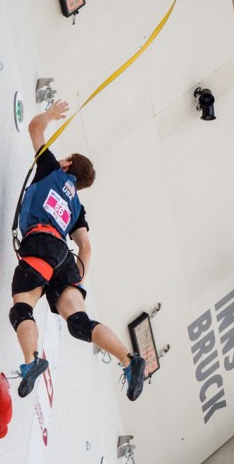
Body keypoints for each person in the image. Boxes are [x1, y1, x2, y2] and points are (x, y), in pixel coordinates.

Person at [9, 100, 146, 400]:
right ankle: (129, 360)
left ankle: (32, 361)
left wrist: (49, 115)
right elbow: (85, 246)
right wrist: (76, 281)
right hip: (65, 259)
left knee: (22, 307)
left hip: (41, 244)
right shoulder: (77, 208)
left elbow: (34, 127)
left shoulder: (50, 169)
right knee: (79, 323)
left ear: (68, 163)